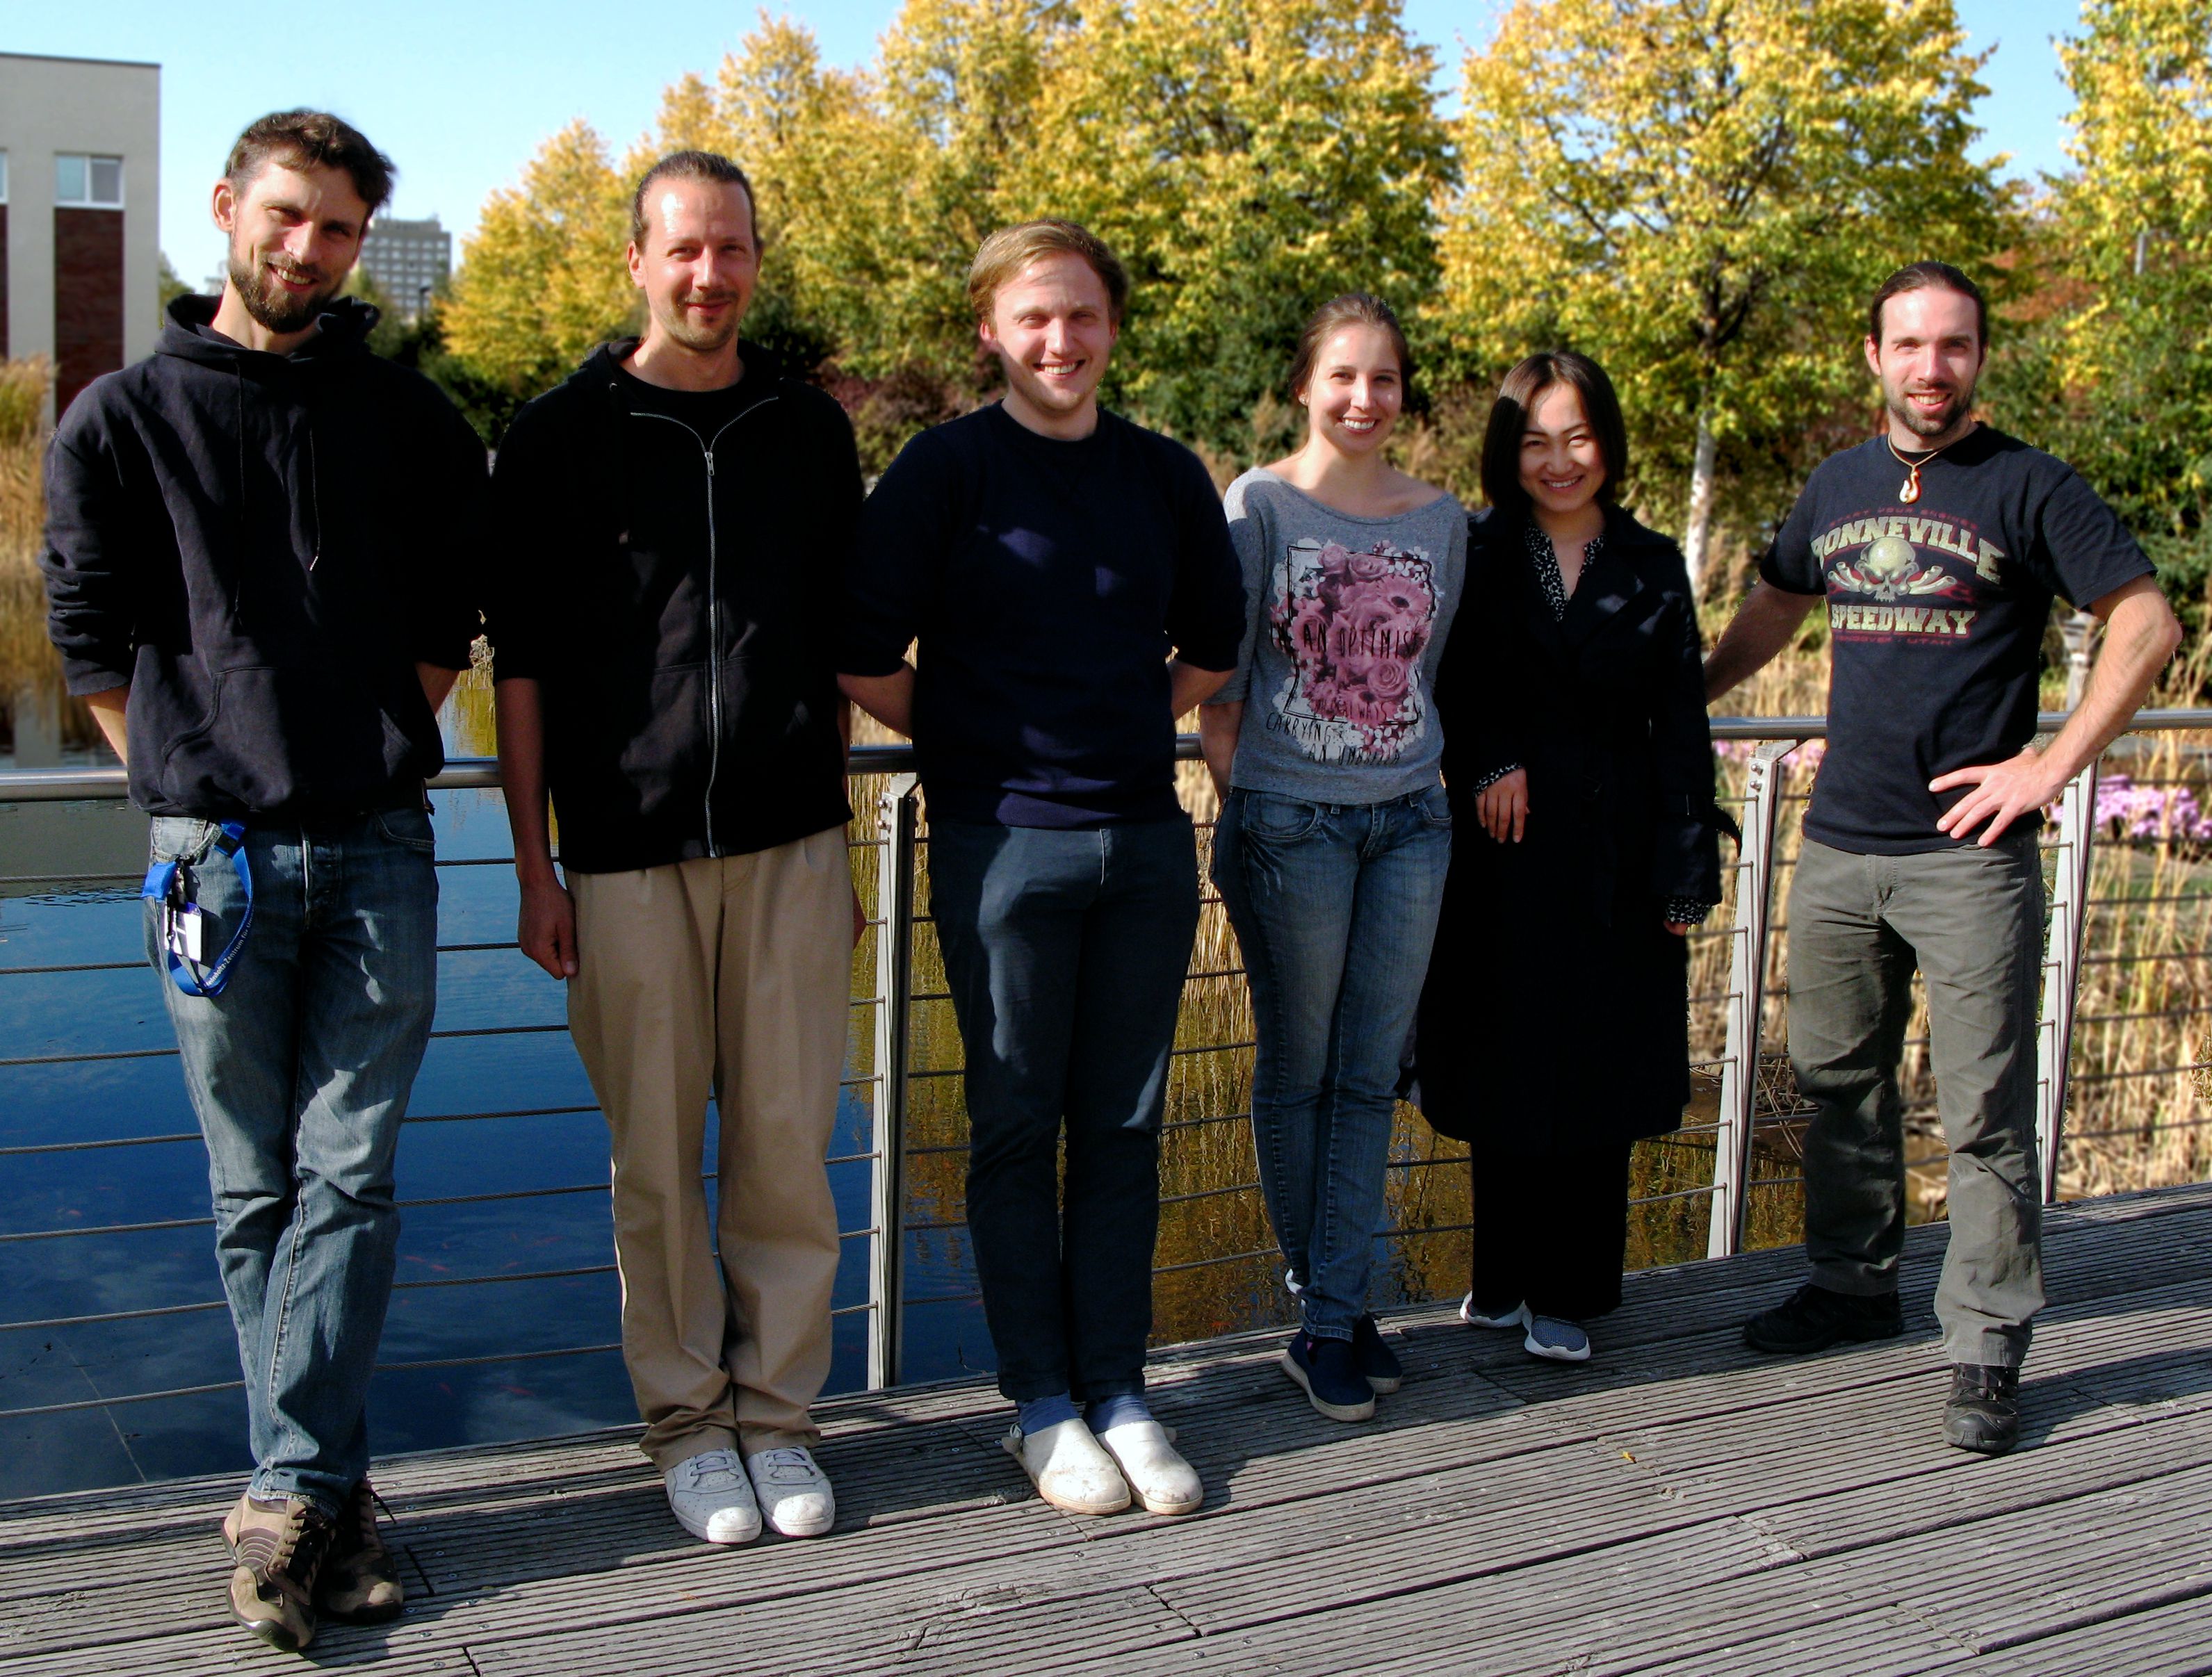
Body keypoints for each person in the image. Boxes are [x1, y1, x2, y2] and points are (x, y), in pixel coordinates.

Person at [39, 111, 486, 1652]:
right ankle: (328, 1497)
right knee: (253, 1187)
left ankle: (290, 1486)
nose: (308, 251)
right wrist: (179, 769)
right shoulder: (119, 418)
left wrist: (368, 734)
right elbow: (88, 626)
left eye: (339, 230)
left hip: (377, 844)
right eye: (287, 217)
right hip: (206, 862)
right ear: (228, 207)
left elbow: (450, 609)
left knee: (347, 1175)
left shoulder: (410, 423)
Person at [1705, 262, 2181, 1453]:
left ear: (1978, 358)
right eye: (1910, 346)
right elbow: (1774, 603)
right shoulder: (1835, 484)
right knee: (1835, 1085)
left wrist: (2047, 766)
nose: (1931, 368)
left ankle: (1982, 1343)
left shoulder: (2028, 484)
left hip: (1968, 856)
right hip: (1837, 847)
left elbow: (2147, 619)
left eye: (1954, 346)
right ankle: (1852, 1287)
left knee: (1979, 1112)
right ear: (1872, 357)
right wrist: (1682, 695)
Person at [486, 152, 864, 1546]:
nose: (710, 275)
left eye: (733, 249)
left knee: (783, 1148)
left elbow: (835, 654)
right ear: (638, 260)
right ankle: (687, 1427)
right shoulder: (558, 435)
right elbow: (517, 668)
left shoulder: (808, 432)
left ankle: (779, 1417)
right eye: (684, 250)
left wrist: (844, 854)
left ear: (757, 260)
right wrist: (535, 868)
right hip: (627, 852)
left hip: (791, 846)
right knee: (654, 1160)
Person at [839, 220, 1244, 1518]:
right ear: (991, 332)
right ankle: (1041, 1405)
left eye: (1080, 317)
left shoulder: (1163, 476)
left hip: (1137, 838)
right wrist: (977, 737)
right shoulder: (945, 470)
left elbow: (1215, 646)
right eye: (1033, 319)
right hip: (998, 842)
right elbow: (855, 649)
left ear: (1110, 327)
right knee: (1016, 1125)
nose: (1059, 341)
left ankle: (1121, 1388)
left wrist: (1120, 721)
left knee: (1125, 1123)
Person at [1408, 352, 1723, 1366]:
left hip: (1617, 852)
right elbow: (1439, 675)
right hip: (1497, 850)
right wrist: (1488, 754)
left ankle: (1568, 1288)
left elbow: (1681, 720)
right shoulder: (1472, 548)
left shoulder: (1650, 559)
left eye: (1577, 437)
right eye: (1535, 440)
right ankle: (1497, 1279)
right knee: (1501, 1058)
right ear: (1509, 450)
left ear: (1608, 442)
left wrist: (1685, 858)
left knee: (1596, 1066)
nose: (1558, 460)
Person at [1197, 295, 1465, 1423]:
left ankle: (1334, 1306)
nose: (1365, 399)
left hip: (1409, 821)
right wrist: (1250, 801)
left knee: (1370, 1075)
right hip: (1289, 825)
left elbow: (1427, 670)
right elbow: (1217, 681)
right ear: (1304, 385)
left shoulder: (1443, 518)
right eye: (1343, 377)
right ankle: (1327, 1309)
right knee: (1298, 1069)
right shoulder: (1255, 503)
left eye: (1386, 379)